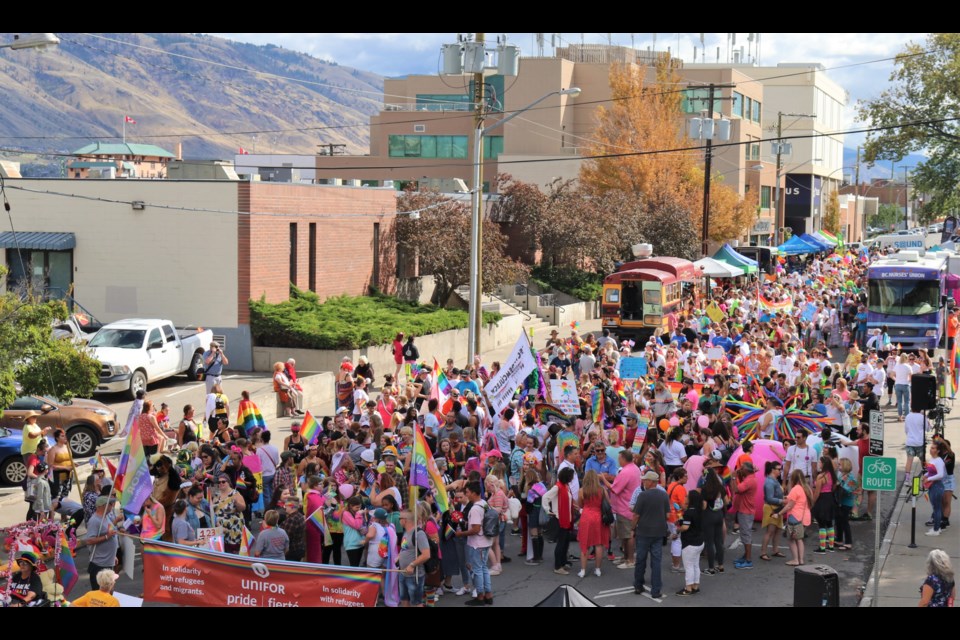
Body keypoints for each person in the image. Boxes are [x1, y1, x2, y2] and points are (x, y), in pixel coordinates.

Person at [632, 470, 668, 598]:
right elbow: (667, 514)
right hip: (658, 532)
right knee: (656, 561)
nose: (643, 482)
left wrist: (632, 528)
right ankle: (656, 590)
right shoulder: (664, 495)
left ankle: (638, 585)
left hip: (643, 531)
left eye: (645, 480)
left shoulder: (643, 495)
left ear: (651, 482)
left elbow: (636, 514)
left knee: (640, 559)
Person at [457, 480, 494, 606]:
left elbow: (476, 529)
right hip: (486, 541)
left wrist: (461, 533)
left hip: (477, 543)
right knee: (484, 568)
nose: (466, 494)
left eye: (467, 492)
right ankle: (488, 595)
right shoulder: (484, 503)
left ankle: (480, 596)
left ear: (473, 493)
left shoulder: (474, 509)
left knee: (477, 570)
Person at [81, 495, 120, 590]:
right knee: (100, 593)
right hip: (100, 564)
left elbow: (110, 531)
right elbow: (89, 540)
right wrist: (107, 536)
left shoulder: (105, 517)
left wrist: (113, 555)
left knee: (108, 591)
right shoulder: (94, 521)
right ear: (103, 506)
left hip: (108, 561)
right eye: (110, 504)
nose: (112, 506)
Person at [577, 470, 609, 578]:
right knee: (598, 544)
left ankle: (583, 570)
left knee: (584, 544)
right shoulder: (602, 490)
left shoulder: (582, 491)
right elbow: (608, 504)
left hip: (586, 517)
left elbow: (580, 504)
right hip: (598, 517)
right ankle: (598, 569)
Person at [397, 509, 431, 607]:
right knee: (404, 599)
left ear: (405, 520)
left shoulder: (419, 534)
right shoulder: (406, 532)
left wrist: (412, 565)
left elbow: (426, 554)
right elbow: (405, 548)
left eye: (400, 518)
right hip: (403, 573)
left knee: (416, 603)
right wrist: (399, 557)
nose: (399, 520)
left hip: (414, 575)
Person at [700, 458, 727, 575]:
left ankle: (711, 568)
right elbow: (726, 501)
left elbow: (704, 506)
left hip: (709, 515)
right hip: (719, 514)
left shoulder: (705, 489)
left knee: (709, 542)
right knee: (718, 541)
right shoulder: (720, 487)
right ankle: (720, 565)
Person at [782, 470, 813, 566]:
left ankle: (795, 559)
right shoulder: (807, 488)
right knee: (800, 539)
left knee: (791, 539)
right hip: (806, 516)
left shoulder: (796, 489)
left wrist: (779, 512)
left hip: (796, 516)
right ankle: (801, 559)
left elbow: (789, 504)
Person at [676, 489, 704, 597]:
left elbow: (685, 527)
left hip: (689, 543)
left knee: (688, 566)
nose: (685, 497)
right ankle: (695, 586)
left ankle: (688, 588)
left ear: (691, 499)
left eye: (687, 496)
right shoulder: (700, 510)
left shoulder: (689, 512)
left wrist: (678, 530)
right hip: (700, 542)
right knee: (696, 565)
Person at [732, 461, 757, 569]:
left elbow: (736, 489)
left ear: (746, 470)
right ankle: (745, 556)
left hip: (746, 511)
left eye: (742, 468)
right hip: (745, 510)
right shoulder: (749, 478)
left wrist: (733, 478)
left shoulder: (749, 481)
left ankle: (748, 560)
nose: (740, 469)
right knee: (744, 535)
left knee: (746, 536)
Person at [213, 474, 246, 554]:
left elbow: (243, 507)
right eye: (219, 482)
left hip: (233, 527)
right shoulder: (216, 494)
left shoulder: (235, 493)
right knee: (221, 549)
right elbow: (212, 509)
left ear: (228, 482)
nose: (221, 483)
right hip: (220, 526)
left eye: (223, 482)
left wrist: (237, 503)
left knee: (233, 550)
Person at [759, 461, 785, 561]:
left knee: (778, 530)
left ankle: (775, 550)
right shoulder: (770, 482)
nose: (780, 471)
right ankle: (763, 552)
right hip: (771, 508)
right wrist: (782, 500)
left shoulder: (774, 480)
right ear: (772, 470)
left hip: (777, 508)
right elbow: (769, 498)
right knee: (770, 531)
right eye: (778, 469)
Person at [811, 456, 837, 553]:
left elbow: (817, 492)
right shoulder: (832, 475)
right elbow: (833, 487)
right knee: (830, 523)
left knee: (821, 524)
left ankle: (822, 547)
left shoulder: (820, 476)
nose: (818, 463)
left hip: (822, 499)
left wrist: (813, 502)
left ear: (823, 464)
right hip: (830, 498)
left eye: (820, 462)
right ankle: (831, 546)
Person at [925, 440, 947, 536]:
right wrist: (925, 475)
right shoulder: (932, 459)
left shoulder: (938, 461)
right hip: (932, 485)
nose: (931, 449)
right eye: (931, 448)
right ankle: (937, 527)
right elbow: (931, 471)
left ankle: (936, 529)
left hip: (937, 486)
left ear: (938, 451)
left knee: (937, 508)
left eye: (933, 448)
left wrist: (928, 478)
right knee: (935, 507)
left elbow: (940, 475)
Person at [904, 407, 929, 485]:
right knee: (923, 461)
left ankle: (907, 479)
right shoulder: (922, 417)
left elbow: (906, 430)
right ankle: (926, 477)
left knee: (909, 460)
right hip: (919, 442)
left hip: (910, 442)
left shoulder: (908, 416)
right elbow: (927, 429)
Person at [280, 496, 306, 562]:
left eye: (286, 505)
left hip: (292, 551)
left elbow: (285, 537)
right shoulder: (299, 515)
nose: (284, 507)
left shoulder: (291, 519)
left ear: (291, 506)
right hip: (299, 548)